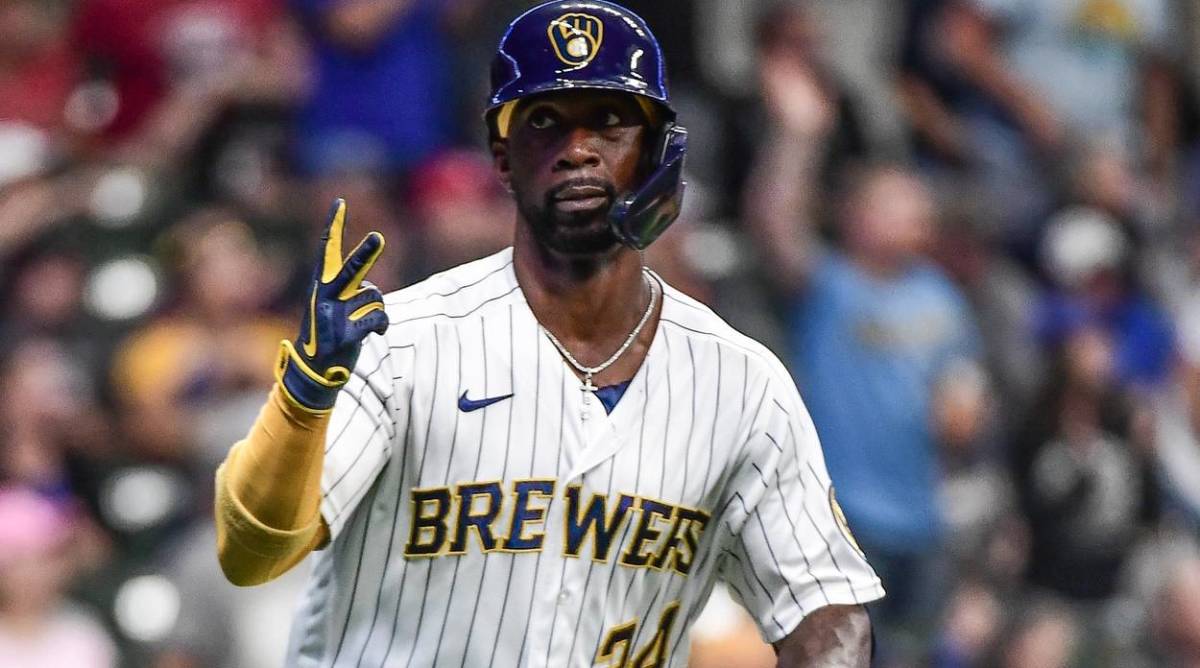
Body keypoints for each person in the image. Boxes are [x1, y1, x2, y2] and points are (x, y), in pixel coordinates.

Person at [213, 1, 884, 665]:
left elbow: (826, 607)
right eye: (545, 124)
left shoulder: (740, 383)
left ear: (658, 153)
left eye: (611, 122)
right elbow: (253, 552)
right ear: (502, 160)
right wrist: (302, 403)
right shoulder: (402, 343)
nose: (578, 150)